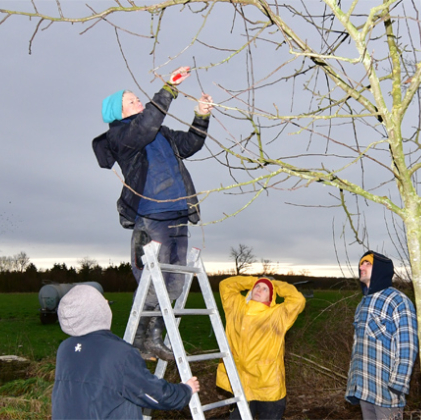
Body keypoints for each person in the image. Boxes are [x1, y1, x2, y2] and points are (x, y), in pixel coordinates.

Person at [92, 66, 214, 361]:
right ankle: (138, 341)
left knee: (173, 283)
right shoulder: (122, 136)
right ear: (117, 113)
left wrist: (201, 116)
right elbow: (145, 124)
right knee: (151, 280)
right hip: (151, 218)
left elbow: (189, 144)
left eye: (138, 99)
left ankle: (154, 340)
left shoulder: (160, 132)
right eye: (132, 100)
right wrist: (168, 88)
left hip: (178, 215)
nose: (139, 102)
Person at [51, 284, 200, 419]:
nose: (106, 303)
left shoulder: (65, 349)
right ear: (96, 312)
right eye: (103, 302)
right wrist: (185, 390)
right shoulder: (120, 354)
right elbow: (154, 395)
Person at [215, 276, 306, 419]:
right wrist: (255, 280)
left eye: (265, 289)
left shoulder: (277, 315)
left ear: (271, 296)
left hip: (268, 387)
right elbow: (225, 285)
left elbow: (298, 300)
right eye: (257, 287)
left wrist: (274, 284)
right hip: (241, 384)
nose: (259, 289)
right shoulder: (235, 307)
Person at [345, 251, 418, 420]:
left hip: (387, 391)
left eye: (367, 263)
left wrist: (397, 385)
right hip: (364, 388)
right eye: (361, 263)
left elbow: (408, 346)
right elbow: (357, 347)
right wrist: (354, 382)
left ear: (380, 269)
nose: (361, 266)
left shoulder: (398, 301)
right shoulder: (362, 304)